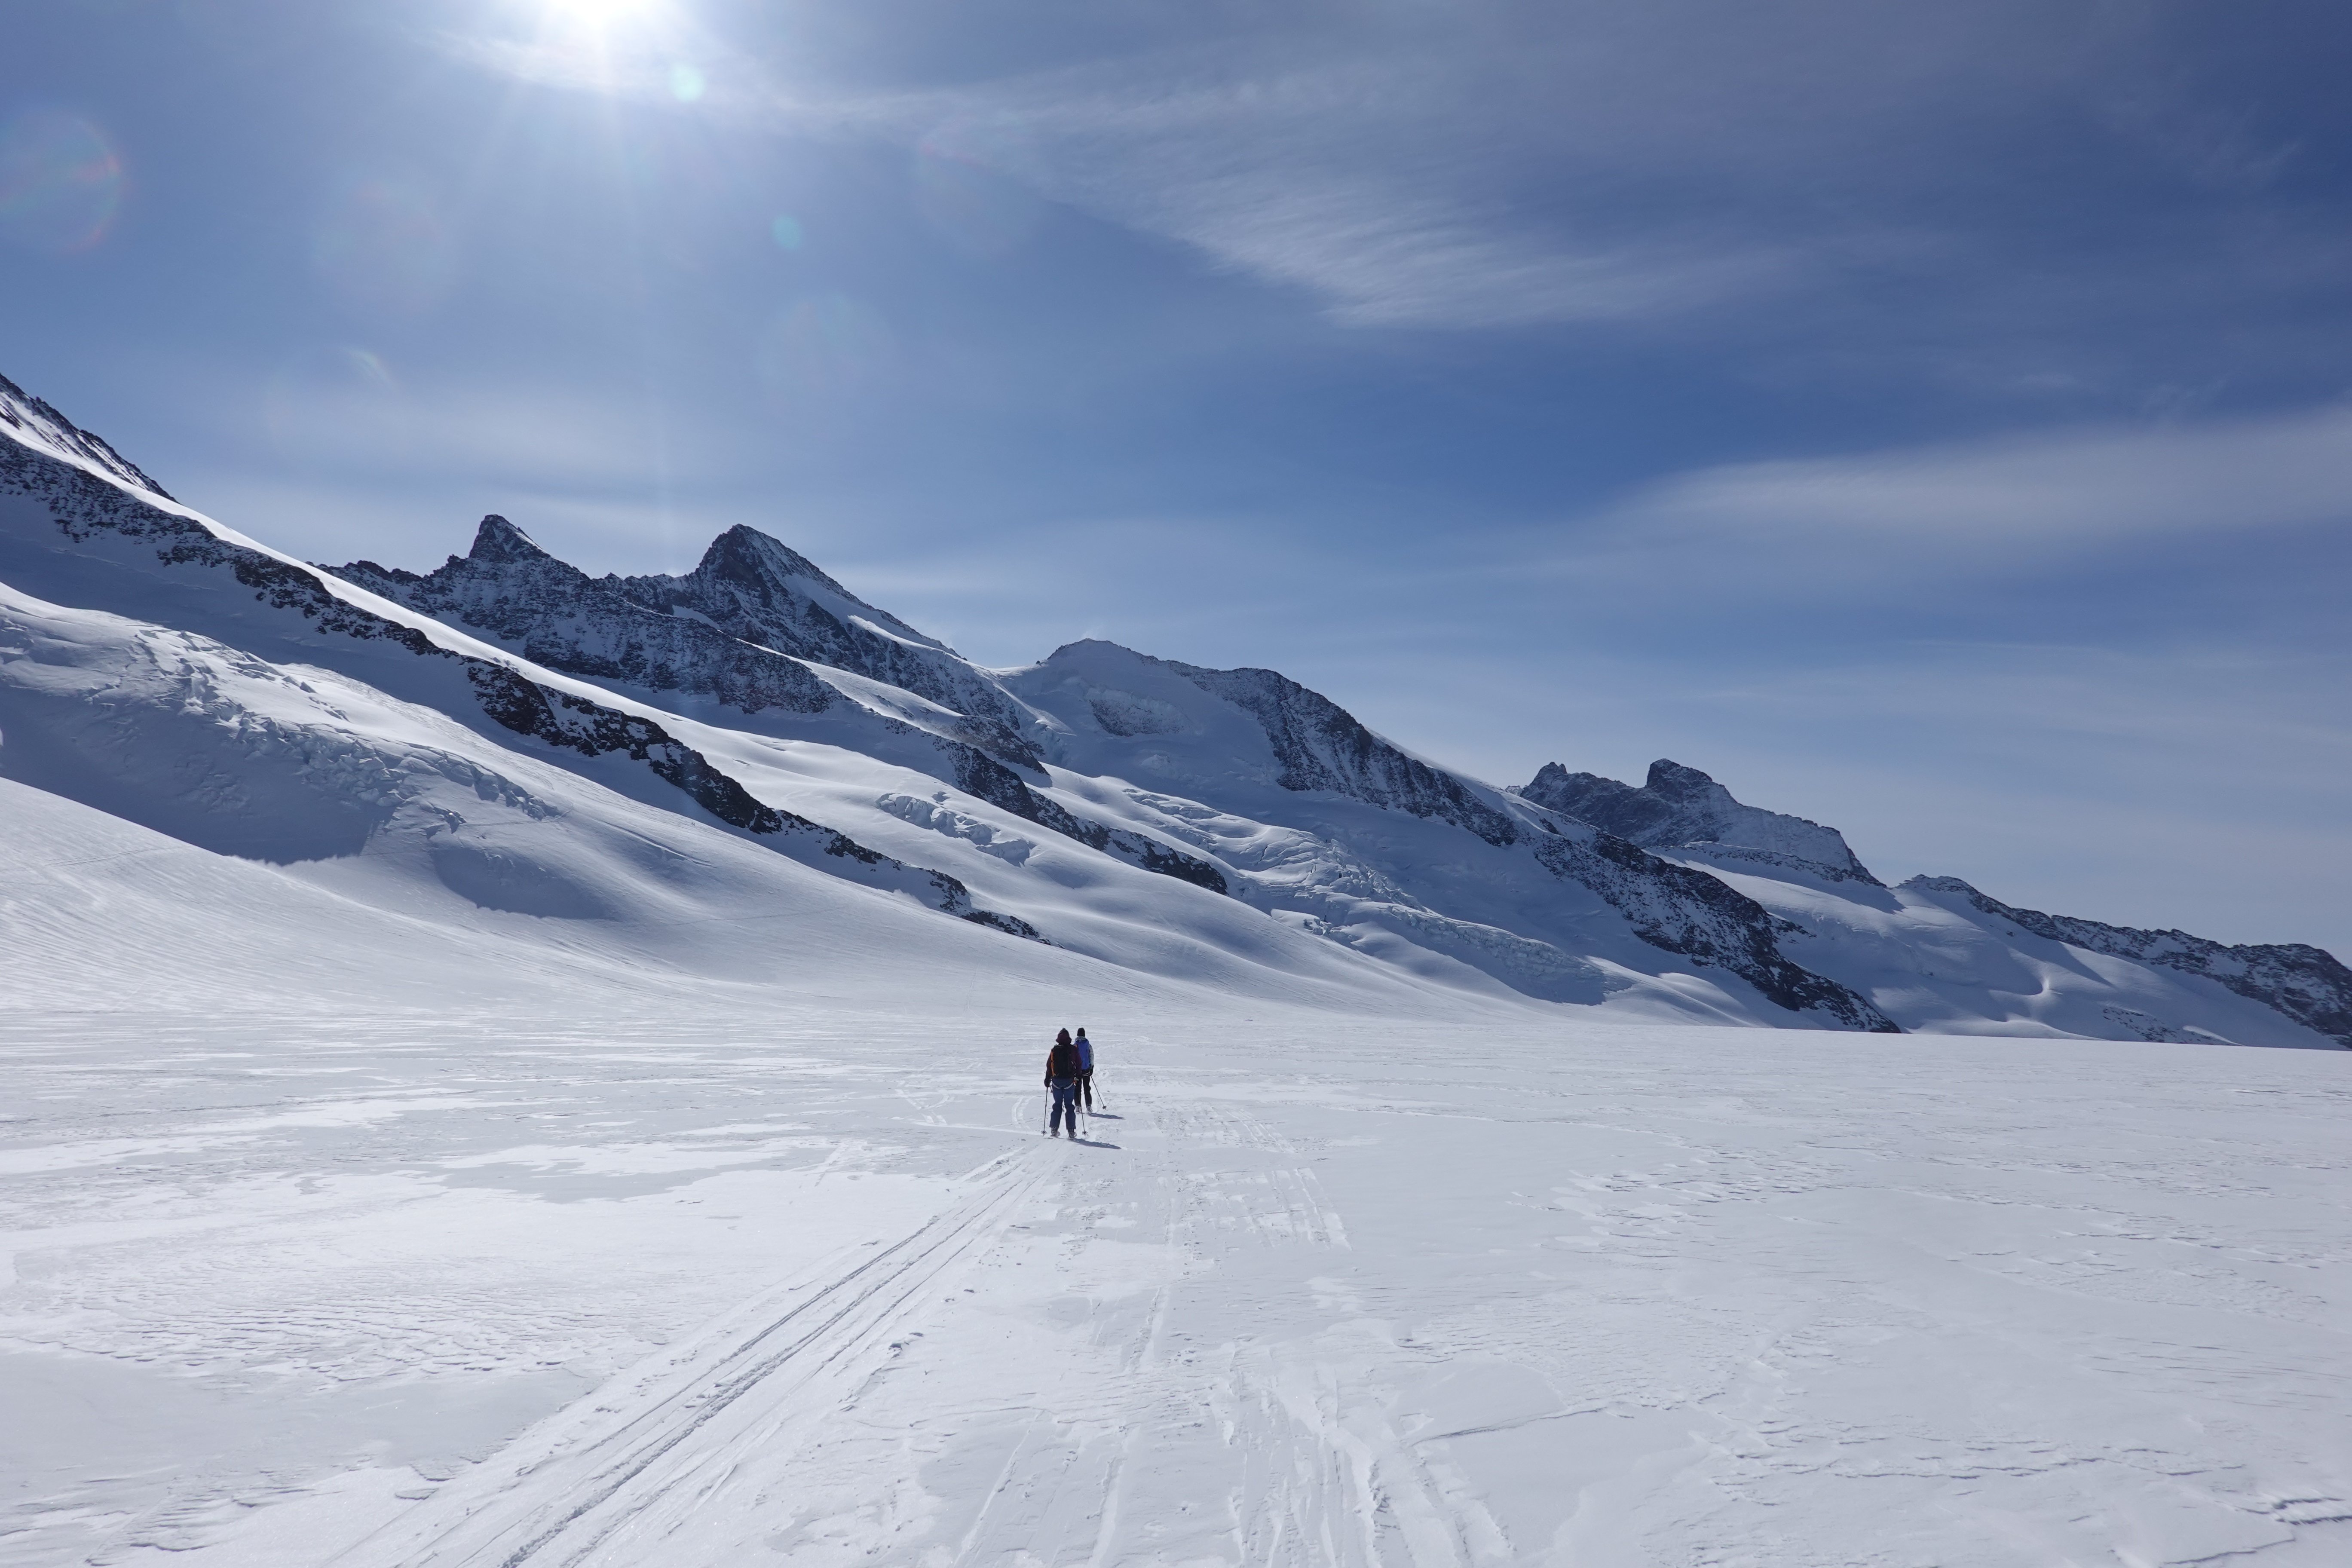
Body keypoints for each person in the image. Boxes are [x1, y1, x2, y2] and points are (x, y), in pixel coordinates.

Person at [1043, 1028, 1082, 1139]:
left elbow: (1049, 1066)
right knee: (1070, 1106)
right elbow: (1079, 1064)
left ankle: (1054, 1129)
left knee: (1057, 1105)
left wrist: (1047, 1079)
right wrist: (1079, 1078)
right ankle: (1071, 1131)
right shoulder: (1073, 1050)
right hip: (1069, 1082)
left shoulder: (1054, 1050)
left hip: (1056, 1082)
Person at [1074, 1027, 1095, 1111]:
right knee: (1087, 1088)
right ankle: (1089, 1105)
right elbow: (1092, 1056)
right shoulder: (1088, 1045)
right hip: (1086, 1069)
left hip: (1077, 1070)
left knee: (1077, 1088)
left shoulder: (1075, 1045)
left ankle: (1078, 1106)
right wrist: (1092, 1066)